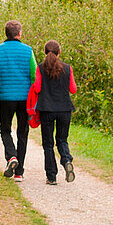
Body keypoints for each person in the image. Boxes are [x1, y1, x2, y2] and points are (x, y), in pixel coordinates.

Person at [0, 19, 37, 181]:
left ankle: (11, 157)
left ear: (6, 33)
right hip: (25, 99)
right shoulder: (28, 51)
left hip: (6, 98)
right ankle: (19, 172)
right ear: (20, 33)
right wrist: (36, 98)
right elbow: (35, 75)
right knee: (22, 133)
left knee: (5, 130)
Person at [29, 40, 77, 185]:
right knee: (62, 140)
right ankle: (67, 160)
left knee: (48, 144)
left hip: (47, 109)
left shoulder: (41, 68)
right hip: (64, 110)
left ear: (45, 52)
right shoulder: (67, 68)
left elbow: (37, 88)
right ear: (59, 52)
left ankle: (51, 177)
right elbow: (73, 89)